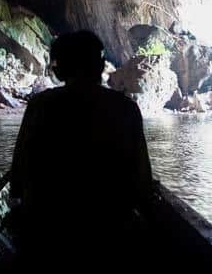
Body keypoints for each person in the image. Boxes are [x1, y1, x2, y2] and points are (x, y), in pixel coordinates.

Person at [9, 30, 153, 271]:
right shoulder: (126, 109)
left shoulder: (40, 106)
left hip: (48, 234)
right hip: (110, 232)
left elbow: (17, 179)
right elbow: (142, 181)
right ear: (100, 67)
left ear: (59, 69)